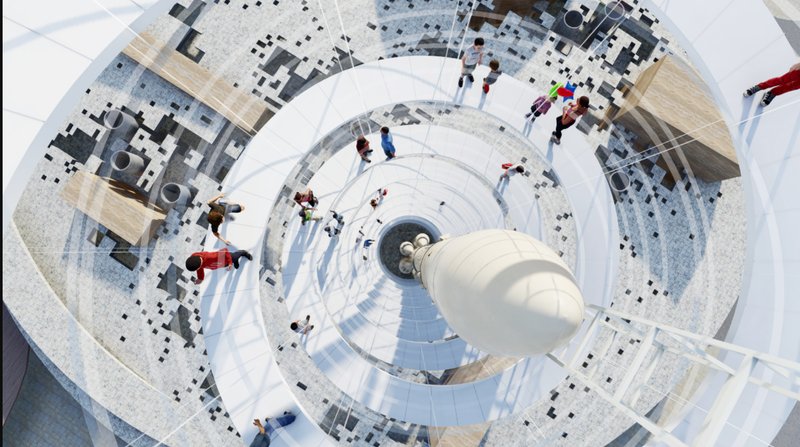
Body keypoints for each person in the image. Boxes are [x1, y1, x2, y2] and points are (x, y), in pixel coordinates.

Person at [185, 248, 252, 284]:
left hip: (227, 258)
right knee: (233, 261)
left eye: (197, 269)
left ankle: (244, 253)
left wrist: (230, 263)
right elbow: (200, 268)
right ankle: (235, 261)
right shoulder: (195, 258)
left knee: (235, 256)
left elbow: (225, 251)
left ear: (199, 265)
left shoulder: (210, 257)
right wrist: (200, 278)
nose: (197, 269)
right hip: (221, 264)